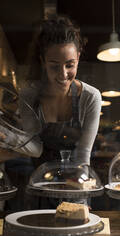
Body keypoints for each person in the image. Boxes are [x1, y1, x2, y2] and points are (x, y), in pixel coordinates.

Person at [17, 15, 102, 167]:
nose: (63, 74)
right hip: (38, 181)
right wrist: (9, 138)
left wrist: (80, 184)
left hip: (76, 179)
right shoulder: (28, 96)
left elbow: (83, 153)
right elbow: (35, 149)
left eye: (70, 65)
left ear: (78, 57)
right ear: (43, 62)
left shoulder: (91, 97)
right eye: (54, 66)